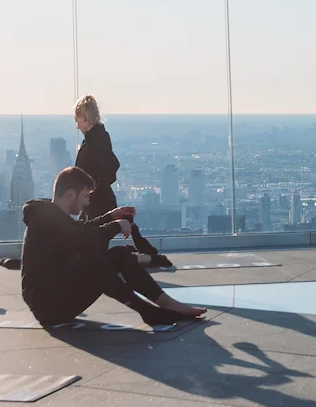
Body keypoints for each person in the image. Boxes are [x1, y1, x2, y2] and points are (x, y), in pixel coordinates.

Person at [20, 168, 206, 330]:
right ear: (70, 194)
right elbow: (82, 239)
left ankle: (167, 305)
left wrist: (110, 217)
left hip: (56, 296)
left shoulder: (52, 216)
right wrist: (116, 226)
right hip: (48, 306)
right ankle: (147, 311)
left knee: (119, 255)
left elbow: (79, 231)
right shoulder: (45, 221)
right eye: (85, 196)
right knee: (90, 258)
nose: (87, 202)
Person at [74, 96, 171, 267]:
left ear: (85, 117)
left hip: (97, 201)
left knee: (92, 252)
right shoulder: (95, 138)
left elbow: (110, 167)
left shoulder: (97, 139)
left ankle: (145, 257)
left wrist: (92, 188)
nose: (77, 125)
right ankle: (145, 253)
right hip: (95, 199)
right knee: (86, 243)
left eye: (77, 120)